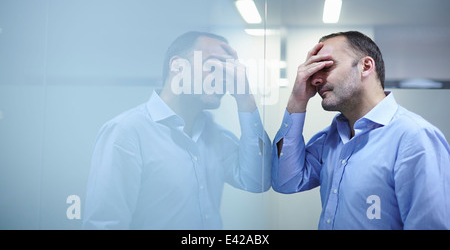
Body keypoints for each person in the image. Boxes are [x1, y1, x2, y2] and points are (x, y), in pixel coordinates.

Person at [83, 31, 271, 229]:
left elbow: (258, 180)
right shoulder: (126, 132)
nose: (224, 77)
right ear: (177, 66)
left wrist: (245, 98)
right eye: (214, 65)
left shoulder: (216, 136)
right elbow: (105, 224)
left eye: (228, 69)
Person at [272, 31, 450, 229]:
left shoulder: (415, 137)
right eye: (314, 72)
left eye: (326, 66)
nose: (315, 80)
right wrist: (297, 101)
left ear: (366, 66)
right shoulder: (333, 137)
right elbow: (286, 181)